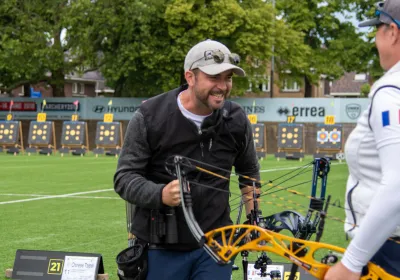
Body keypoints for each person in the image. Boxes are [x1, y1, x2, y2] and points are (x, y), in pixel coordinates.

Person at [114, 39, 261, 280]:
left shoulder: (235, 119)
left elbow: (249, 173)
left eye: (228, 78)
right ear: (190, 77)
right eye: (214, 78)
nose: (223, 86)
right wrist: (160, 194)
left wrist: (255, 219)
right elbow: (124, 178)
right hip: (159, 247)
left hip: (216, 247)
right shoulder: (150, 116)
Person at [324, 1, 400, 279]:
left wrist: (351, 263)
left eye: (377, 30)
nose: (375, 39)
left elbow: (398, 183)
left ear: (392, 32)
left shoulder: (391, 90)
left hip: (388, 250)